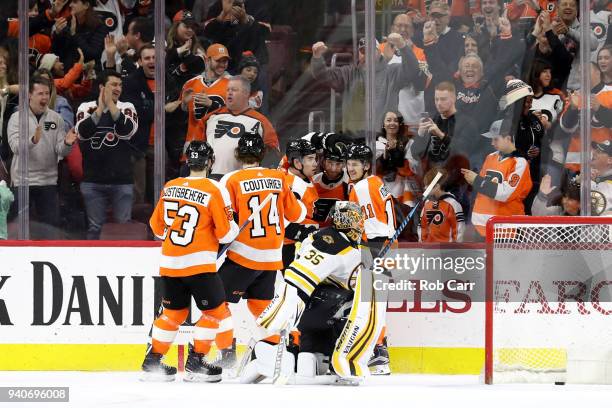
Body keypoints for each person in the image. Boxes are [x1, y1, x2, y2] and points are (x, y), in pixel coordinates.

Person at [241, 201, 384, 385]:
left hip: (316, 312)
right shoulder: (331, 242)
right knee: (367, 294)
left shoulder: (344, 242)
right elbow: (298, 279)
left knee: (310, 354)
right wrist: (284, 311)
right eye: (356, 220)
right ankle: (345, 360)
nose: (359, 224)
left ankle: (318, 353)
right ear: (345, 220)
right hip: (312, 307)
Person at [141, 140, 239, 382]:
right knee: (215, 312)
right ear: (210, 162)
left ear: (187, 160)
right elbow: (226, 233)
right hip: (199, 266)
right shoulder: (214, 189)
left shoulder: (170, 186)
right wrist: (234, 226)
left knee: (173, 314)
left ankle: (153, 361)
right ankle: (197, 362)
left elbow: (157, 228)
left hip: (170, 263)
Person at [215, 133, 306, 368]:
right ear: (262, 154)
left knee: (218, 303)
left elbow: (224, 221)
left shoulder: (230, 180)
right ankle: (275, 351)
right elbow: (298, 215)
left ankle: (226, 352)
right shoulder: (278, 178)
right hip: (272, 258)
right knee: (260, 306)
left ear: (237, 154)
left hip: (243, 255)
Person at [345, 143, 394, 375]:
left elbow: (371, 225)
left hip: (374, 246)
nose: (350, 168)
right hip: (385, 246)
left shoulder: (362, 187)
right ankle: (380, 353)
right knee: (377, 302)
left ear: (365, 166)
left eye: (355, 164)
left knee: (370, 302)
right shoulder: (375, 182)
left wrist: (369, 250)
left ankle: (378, 352)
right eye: (349, 163)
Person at [310, 33, 421, 135]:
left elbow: (413, 69)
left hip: (383, 136)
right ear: (359, 54)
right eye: (363, 51)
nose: (367, 55)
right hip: (353, 136)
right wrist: (317, 57)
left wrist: (402, 46)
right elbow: (323, 75)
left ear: (378, 52)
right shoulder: (349, 73)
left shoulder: (392, 72)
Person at [7, 76, 76, 239]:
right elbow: (15, 147)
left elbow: (61, 151)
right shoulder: (17, 118)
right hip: (23, 182)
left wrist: (67, 143)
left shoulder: (56, 119)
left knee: (51, 230)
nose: (45, 97)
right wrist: (32, 141)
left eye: (47, 93)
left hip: (48, 182)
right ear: (29, 95)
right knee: (18, 230)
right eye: (40, 93)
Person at [75, 70, 138, 239]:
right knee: (95, 229)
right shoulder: (85, 107)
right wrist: (101, 107)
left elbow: (127, 131)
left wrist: (111, 105)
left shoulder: (127, 107)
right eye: (114, 85)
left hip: (122, 180)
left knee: (123, 228)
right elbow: (82, 133)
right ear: (102, 87)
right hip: (93, 180)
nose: (118, 88)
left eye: (120, 85)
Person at [461, 119, 533, 237]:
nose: (492, 143)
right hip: (479, 225)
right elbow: (481, 187)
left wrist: (477, 180)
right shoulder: (490, 157)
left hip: (504, 228)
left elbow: (505, 193)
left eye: (496, 139)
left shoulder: (520, 163)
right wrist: (471, 180)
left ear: (508, 138)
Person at [198, 76, 279, 178]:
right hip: (212, 178)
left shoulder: (261, 121)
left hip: (243, 180)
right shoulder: (210, 118)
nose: (229, 93)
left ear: (246, 94)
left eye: (234, 90)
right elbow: (199, 148)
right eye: (228, 90)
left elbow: (273, 152)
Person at [181, 43, 231, 151]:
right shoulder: (191, 84)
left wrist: (212, 105)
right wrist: (184, 104)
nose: (222, 65)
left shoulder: (233, 84)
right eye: (218, 61)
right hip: (194, 145)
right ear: (208, 60)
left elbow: (238, 114)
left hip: (221, 146)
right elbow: (183, 114)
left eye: (225, 61)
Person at [282, 138, 319, 268]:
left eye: (315, 158)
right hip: (292, 248)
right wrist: (304, 234)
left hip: (303, 244)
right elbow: (284, 223)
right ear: (297, 162)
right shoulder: (292, 184)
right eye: (310, 159)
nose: (315, 164)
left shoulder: (304, 178)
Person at [418, 168, 465, 242]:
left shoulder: (452, 204)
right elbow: (422, 226)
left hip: (447, 251)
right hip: (429, 250)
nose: (425, 188)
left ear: (436, 186)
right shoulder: (427, 204)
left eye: (427, 185)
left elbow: (459, 230)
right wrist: (422, 245)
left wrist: (455, 249)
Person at [312, 143, 349, 227]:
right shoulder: (313, 181)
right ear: (323, 162)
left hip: (338, 235)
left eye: (338, 164)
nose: (333, 169)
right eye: (330, 163)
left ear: (344, 164)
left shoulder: (349, 183)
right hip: (313, 234)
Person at [591, 140, 612, 216]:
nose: (594, 153)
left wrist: (589, 182)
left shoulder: (609, 184)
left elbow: (596, 209)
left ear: (610, 160)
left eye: (599, 152)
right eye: (595, 150)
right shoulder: (588, 175)